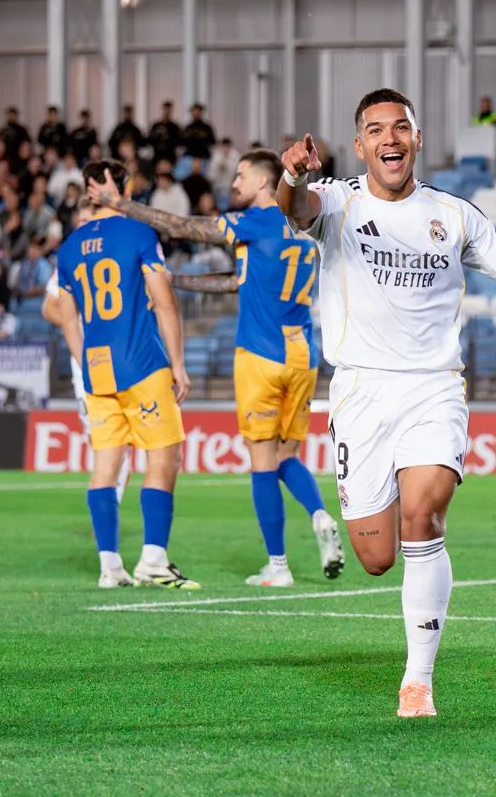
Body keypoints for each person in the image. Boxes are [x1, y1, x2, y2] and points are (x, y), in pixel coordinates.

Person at [278, 88, 496, 718]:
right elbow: (293, 206)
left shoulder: (455, 215)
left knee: (425, 516)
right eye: (376, 130)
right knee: (377, 558)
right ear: (359, 146)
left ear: (417, 138)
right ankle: (410, 647)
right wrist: (291, 174)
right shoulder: (337, 202)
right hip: (359, 391)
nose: (391, 138)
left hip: (434, 387)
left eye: (401, 127)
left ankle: (418, 681)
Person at [88, 151, 346, 586]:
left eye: (242, 175)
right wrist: (180, 281)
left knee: (262, 461)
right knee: (288, 455)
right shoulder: (304, 226)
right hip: (303, 353)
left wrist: (120, 204)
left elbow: (180, 227)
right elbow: (237, 279)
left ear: (266, 183)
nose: (234, 182)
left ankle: (278, 566)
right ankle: (320, 513)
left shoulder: (257, 220)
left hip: (260, 355)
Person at [55, 160, 197, 589]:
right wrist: (178, 364)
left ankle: (109, 566)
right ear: (119, 187)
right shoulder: (138, 233)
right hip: (141, 364)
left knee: (106, 467)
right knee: (163, 457)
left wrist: (85, 362)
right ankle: (153, 559)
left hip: (97, 372)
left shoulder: (69, 246)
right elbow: (165, 302)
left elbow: (66, 316)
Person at [44, 205, 133, 505]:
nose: (84, 225)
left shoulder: (118, 252)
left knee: (120, 439)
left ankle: (111, 504)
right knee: (101, 437)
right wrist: (78, 324)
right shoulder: (69, 257)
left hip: (122, 356)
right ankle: (109, 505)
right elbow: (48, 307)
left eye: (88, 220)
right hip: (85, 362)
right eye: (79, 220)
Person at [148, 101, 183, 168]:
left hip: (170, 155)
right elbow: (150, 139)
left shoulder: (174, 127)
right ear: (162, 109)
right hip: (157, 154)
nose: (166, 112)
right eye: (165, 109)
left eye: (168, 110)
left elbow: (179, 141)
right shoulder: (156, 125)